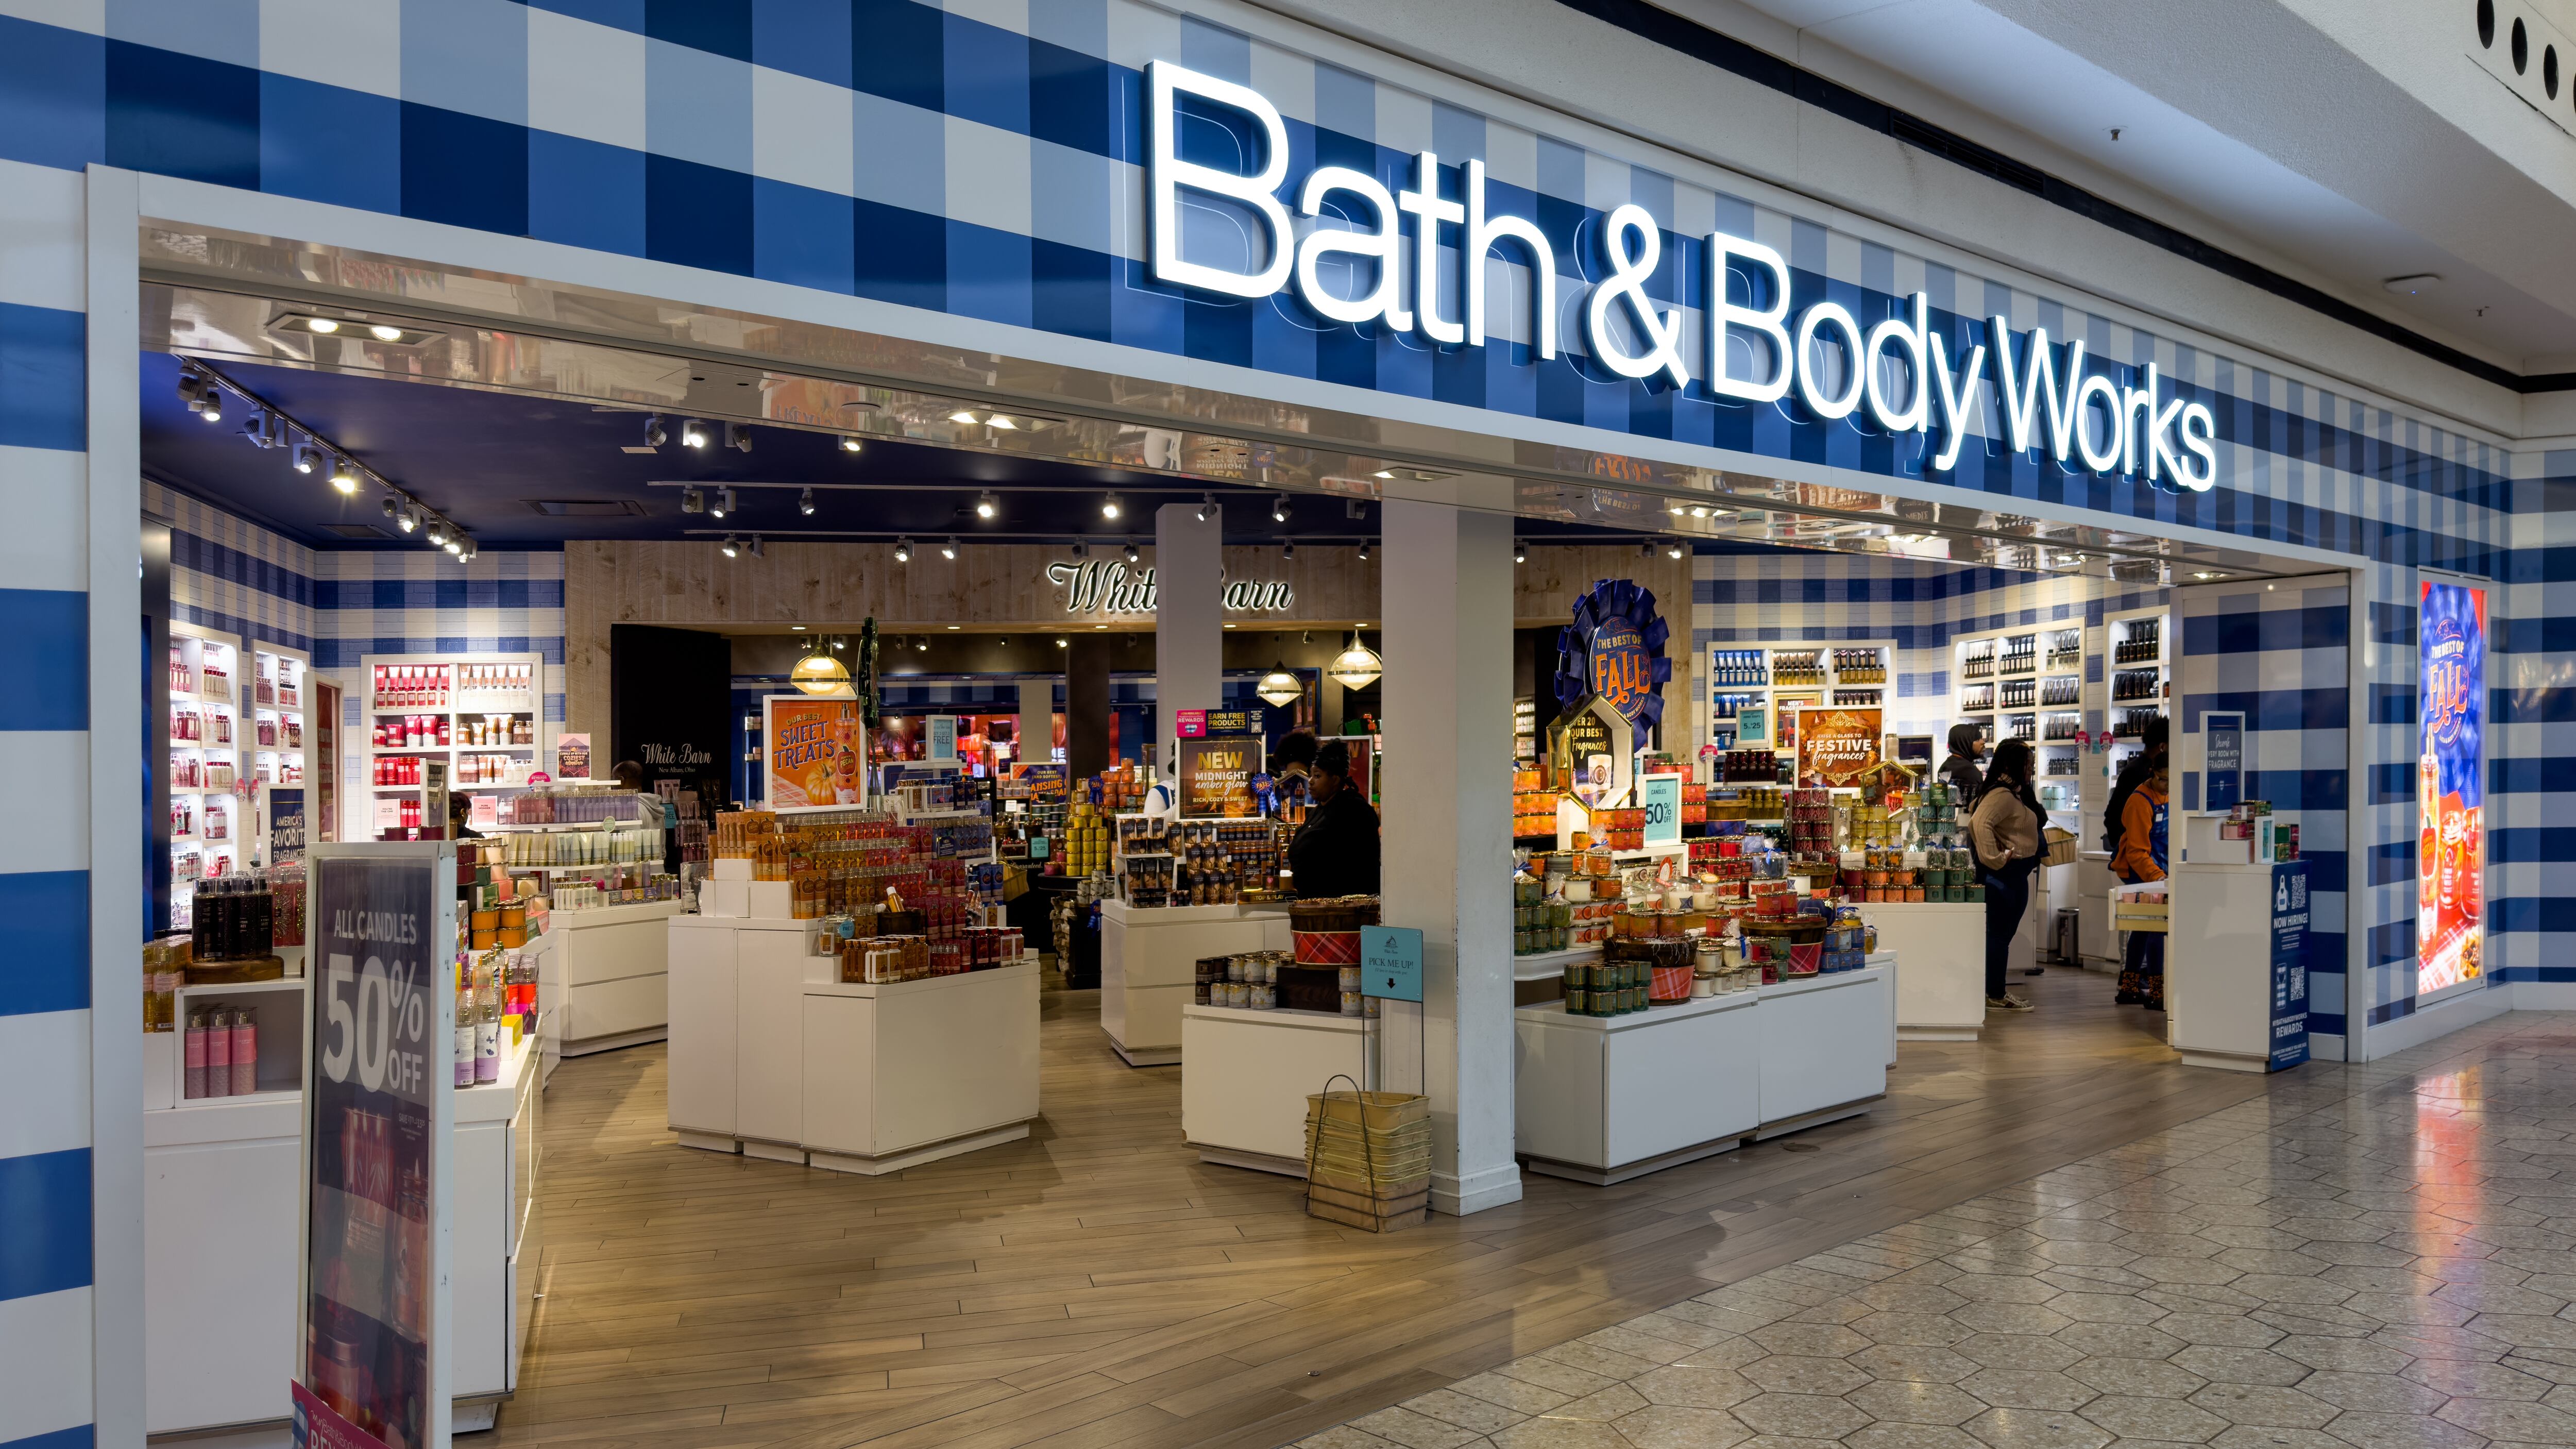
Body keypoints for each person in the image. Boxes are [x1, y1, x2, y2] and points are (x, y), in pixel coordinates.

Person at [1968, 738, 2045, 1013]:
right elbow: (1980, 822)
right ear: (2015, 764)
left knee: (1999, 936)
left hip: (2011, 875)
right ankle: (1995, 993)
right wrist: (1995, 859)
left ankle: (1994, 991)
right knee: (1999, 936)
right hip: (2005, 876)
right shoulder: (2002, 794)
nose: (2032, 769)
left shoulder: (2011, 791)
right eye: (2029, 764)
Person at [1286, 738, 1380, 898]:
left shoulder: (1354, 810)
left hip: (1341, 912)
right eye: (1311, 775)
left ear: (1335, 780)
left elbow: (1360, 866)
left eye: (1317, 776)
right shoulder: (1321, 808)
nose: (1310, 781)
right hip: (1315, 908)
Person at [2112, 759, 2171, 1010]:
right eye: (2162, 779)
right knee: (2156, 925)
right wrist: (2158, 877)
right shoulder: (2139, 801)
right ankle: (2157, 993)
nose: (2166, 785)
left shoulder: (2172, 796)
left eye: (2171, 779)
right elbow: (2136, 852)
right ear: (2152, 774)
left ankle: (2130, 988)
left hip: (2162, 870)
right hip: (2141, 871)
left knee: (2143, 927)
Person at [1940, 723, 1986, 801]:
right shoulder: (1970, 772)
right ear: (1965, 742)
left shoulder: (1945, 766)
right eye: (1978, 739)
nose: (1983, 742)